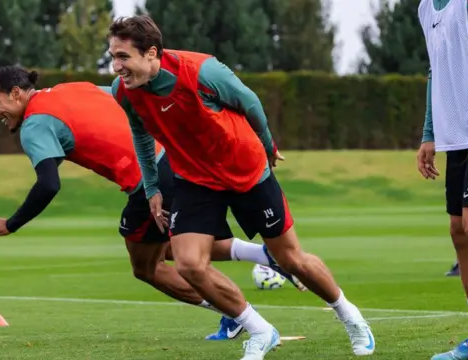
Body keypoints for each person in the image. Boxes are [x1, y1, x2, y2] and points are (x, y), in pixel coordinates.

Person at [107, 15, 375, 359]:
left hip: (246, 172)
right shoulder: (124, 92)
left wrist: (267, 145)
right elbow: (141, 136)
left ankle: (349, 314)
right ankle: (261, 330)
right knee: (189, 264)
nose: (116, 66)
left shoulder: (202, 71)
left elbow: (249, 103)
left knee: (291, 259)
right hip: (195, 179)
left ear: (151, 53)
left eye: (123, 57)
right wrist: (152, 187)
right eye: (113, 56)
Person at [0, 66, 306, 342]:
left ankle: (240, 316)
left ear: (17, 93)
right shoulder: (70, 89)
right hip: (177, 161)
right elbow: (127, 101)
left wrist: (11, 223)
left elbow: (48, 184)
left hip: (151, 180)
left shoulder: (34, 124)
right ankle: (266, 256)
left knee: (146, 267)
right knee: (174, 246)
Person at [417, 0, 468, 358]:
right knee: (459, 231)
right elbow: (436, 71)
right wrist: (429, 134)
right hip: (455, 138)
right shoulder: (426, 8)